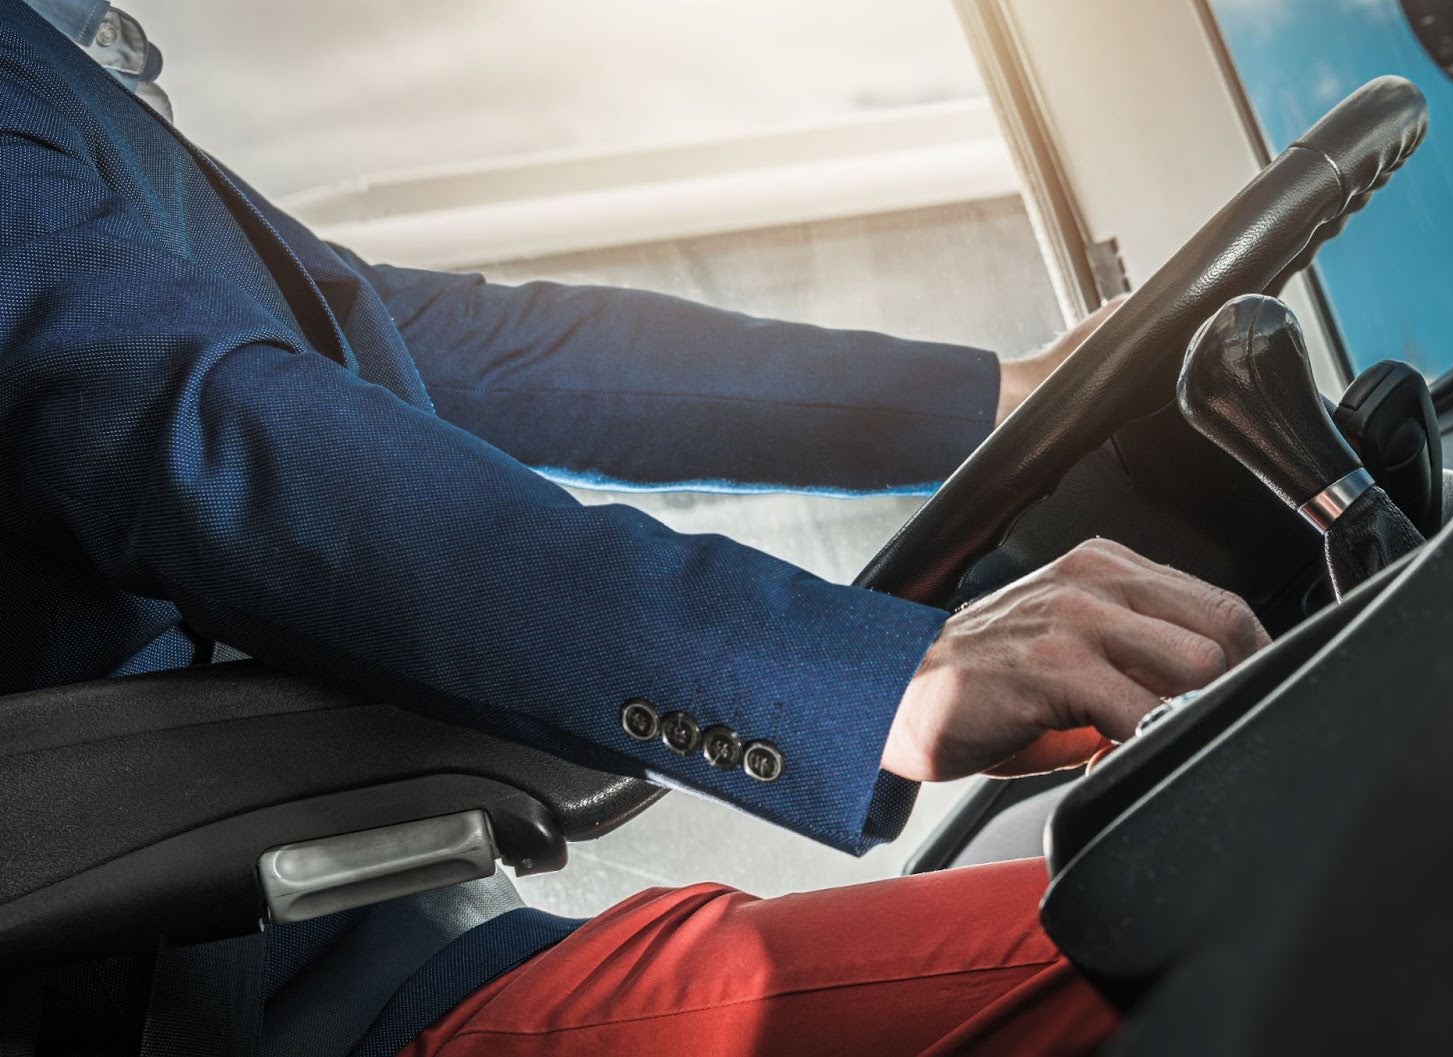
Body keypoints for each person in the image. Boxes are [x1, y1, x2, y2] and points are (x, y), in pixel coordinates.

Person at [0, 2, 1269, 1053]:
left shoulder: (53, 71)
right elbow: (209, 436)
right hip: (269, 1001)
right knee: (1253, 905)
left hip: (393, 926)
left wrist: (993, 399)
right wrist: (873, 683)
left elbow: (437, 340)